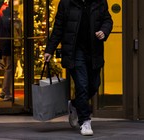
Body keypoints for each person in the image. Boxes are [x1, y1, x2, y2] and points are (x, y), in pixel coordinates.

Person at [44, 0, 113, 136]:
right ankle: (85, 121)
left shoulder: (100, 2)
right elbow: (58, 28)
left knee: (94, 85)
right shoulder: (66, 3)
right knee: (82, 85)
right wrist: (49, 50)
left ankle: (75, 105)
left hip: (94, 51)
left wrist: (104, 31)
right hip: (75, 52)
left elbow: (107, 20)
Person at [0, 3, 13, 101]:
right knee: (9, 69)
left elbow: (0, 34)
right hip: (9, 46)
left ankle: (4, 91)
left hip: (4, 46)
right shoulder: (11, 19)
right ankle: (6, 92)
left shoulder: (2, 18)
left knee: (8, 68)